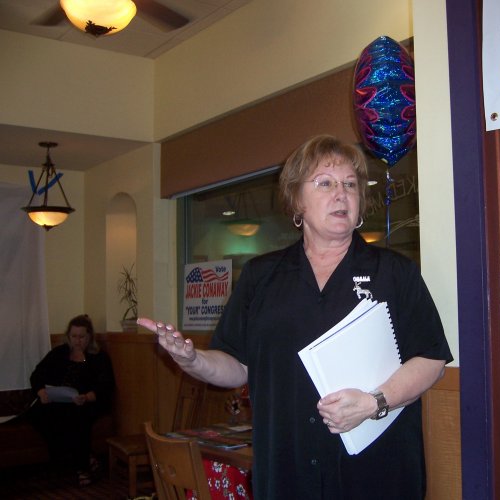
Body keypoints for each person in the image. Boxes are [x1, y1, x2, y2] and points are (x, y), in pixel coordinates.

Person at [138, 135, 453, 499]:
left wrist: (374, 402)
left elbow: (431, 359)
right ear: (296, 200)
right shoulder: (261, 276)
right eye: (325, 183)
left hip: (376, 473)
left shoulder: (394, 273)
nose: (341, 194)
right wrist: (192, 360)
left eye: (350, 184)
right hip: (286, 471)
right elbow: (236, 366)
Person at [28, 314, 115, 486]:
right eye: (74, 336)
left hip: (87, 401)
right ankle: (83, 457)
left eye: (81, 337)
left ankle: (82, 468)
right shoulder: (60, 353)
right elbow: (37, 375)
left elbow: (106, 386)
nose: (77, 341)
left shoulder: (99, 357)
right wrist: (41, 391)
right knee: (38, 414)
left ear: (89, 337)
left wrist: (87, 396)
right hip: (59, 400)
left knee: (76, 416)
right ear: (68, 336)